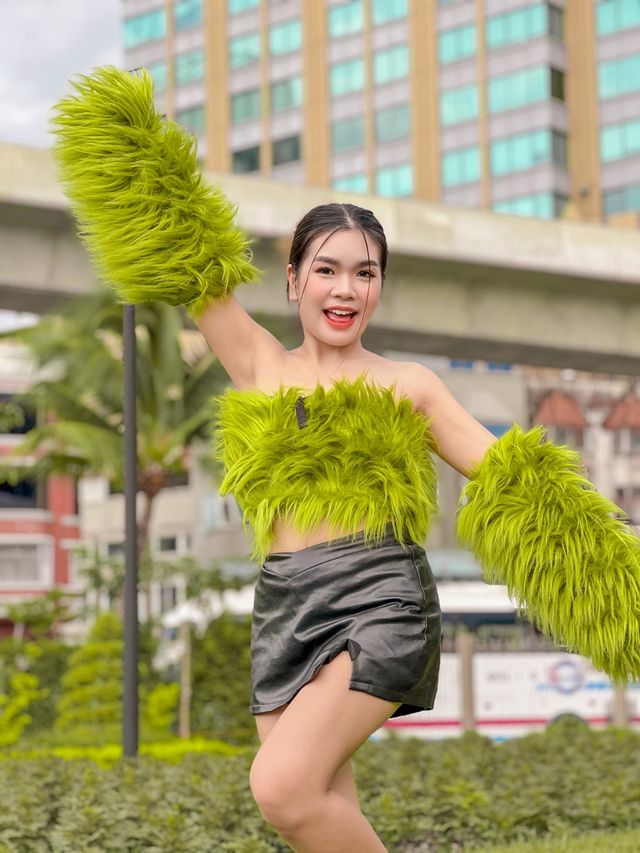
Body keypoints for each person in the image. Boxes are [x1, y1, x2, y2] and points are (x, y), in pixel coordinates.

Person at [51, 66, 640, 853]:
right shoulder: (261, 365)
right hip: (282, 604)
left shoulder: (410, 386)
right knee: (321, 809)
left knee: (281, 788)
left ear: (380, 287)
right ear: (292, 278)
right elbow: (190, 255)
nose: (346, 288)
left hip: (381, 599)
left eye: (365, 272)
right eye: (326, 268)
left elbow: (518, 482)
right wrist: (129, 142)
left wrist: (618, 578)